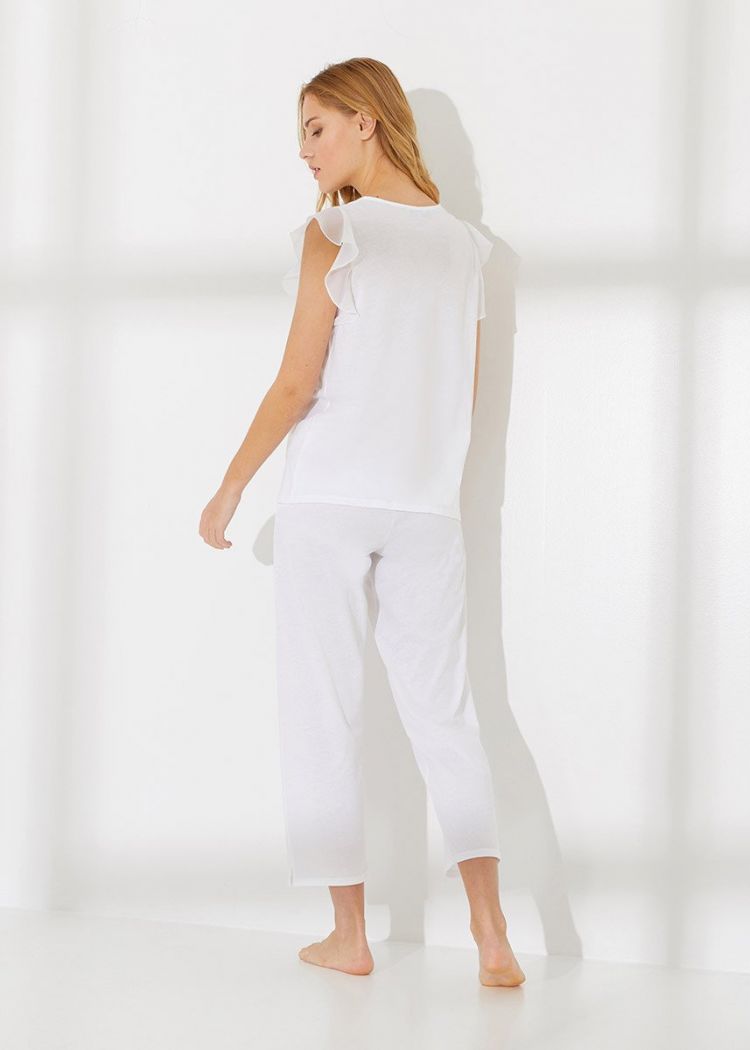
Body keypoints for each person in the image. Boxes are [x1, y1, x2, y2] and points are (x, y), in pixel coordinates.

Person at [198, 57, 524, 988]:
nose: (305, 151)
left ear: (366, 122)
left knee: (322, 713)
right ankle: (492, 932)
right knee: (448, 715)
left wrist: (231, 486)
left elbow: (297, 383)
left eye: (316, 127)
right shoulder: (468, 247)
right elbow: (464, 395)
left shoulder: (335, 231)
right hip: (427, 510)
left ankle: (349, 936)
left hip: (331, 500)